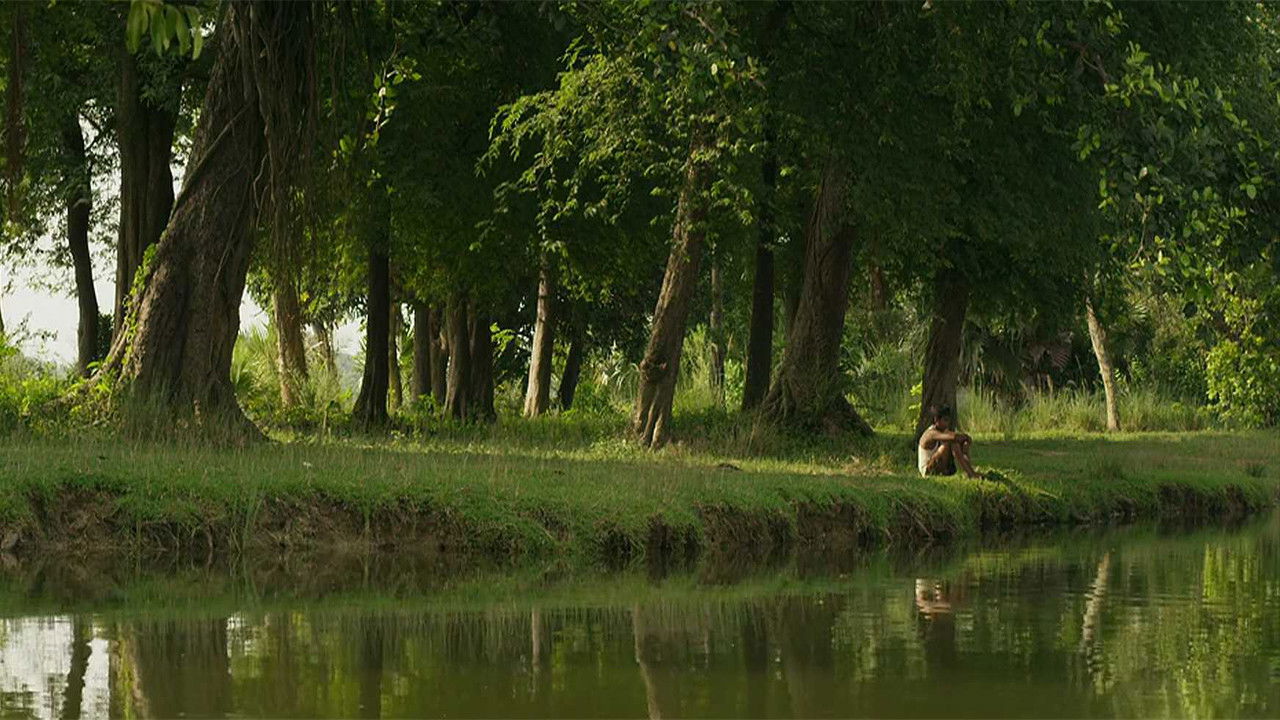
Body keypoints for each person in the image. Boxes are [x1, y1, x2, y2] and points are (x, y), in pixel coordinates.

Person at [917, 405, 979, 478]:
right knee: (951, 442)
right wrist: (966, 438)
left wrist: (965, 445)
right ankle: (971, 474)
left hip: (940, 466)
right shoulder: (931, 433)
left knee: (956, 442)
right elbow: (954, 437)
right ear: (936, 420)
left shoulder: (943, 431)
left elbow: (956, 437)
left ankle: (970, 471)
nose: (947, 423)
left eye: (948, 420)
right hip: (928, 470)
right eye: (945, 420)